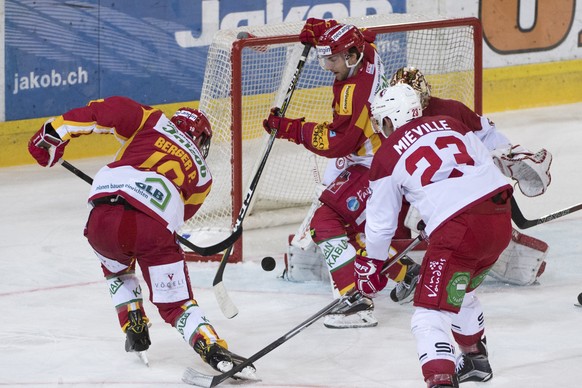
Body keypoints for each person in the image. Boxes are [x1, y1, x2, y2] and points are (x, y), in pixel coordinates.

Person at [27, 96, 255, 377]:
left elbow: (100, 112)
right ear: (201, 140)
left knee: (116, 269)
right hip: (151, 228)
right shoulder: (203, 177)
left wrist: (54, 132)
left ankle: (133, 322)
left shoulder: (153, 120)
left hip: (100, 218)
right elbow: (179, 217)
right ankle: (212, 349)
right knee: (176, 304)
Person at [263, 18, 420, 329]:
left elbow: (338, 142)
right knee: (355, 233)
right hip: (381, 156)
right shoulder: (368, 52)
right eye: (325, 58)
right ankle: (407, 272)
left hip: (375, 165)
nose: (327, 66)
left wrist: (289, 128)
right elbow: (362, 35)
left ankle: (354, 301)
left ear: (350, 57)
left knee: (326, 221)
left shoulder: (353, 93)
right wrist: (325, 30)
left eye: (332, 59)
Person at [356, 83, 513, 387]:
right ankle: (475, 360)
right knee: (461, 288)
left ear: (390, 119)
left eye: (381, 121)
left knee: (429, 314)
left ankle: (440, 380)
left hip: (459, 229)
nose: (379, 128)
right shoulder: (451, 123)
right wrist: (442, 212)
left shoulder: (387, 154)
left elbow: (380, 224)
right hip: (498, 219)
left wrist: (372, 264)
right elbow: (485, 166)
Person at [391, 66, 551, 286]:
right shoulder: (392, 120)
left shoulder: (449, 109)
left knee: (465, 211)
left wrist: (505, 153)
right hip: (424, 188)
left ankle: (488, 256)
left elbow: (486, 134)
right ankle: (405, 260)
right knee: (403, 209)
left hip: (457, 186)